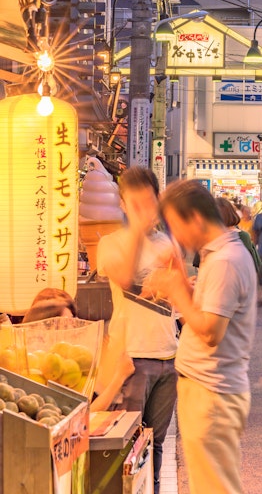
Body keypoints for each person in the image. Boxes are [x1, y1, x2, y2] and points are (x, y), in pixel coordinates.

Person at [143, 179, 257, 494]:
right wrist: (182, 284)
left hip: (213, 394)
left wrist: (176, 291)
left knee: (215, 488)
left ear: (194, 218)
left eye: (175, 225)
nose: (175, 235)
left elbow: (211, 332)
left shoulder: (225, 261)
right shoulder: (218, 255)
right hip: (209, 390)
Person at [98, 167, 180, 494]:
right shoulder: (111, 243)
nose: (145, 209)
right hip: (131, 359)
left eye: (149, 201)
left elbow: (175, 297)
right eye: (136, 203)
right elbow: (124, 278)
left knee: (156, 442)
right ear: (122, 204)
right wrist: (137, 230)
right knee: (127, 444)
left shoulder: (168, 244)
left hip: (168, 355)